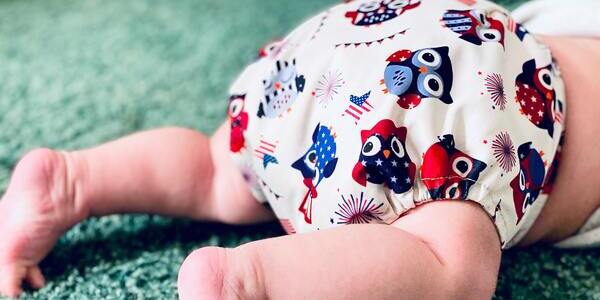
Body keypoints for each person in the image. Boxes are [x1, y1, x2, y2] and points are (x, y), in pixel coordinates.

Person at [1, 0, 599, 298]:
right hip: (488, 111)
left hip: (362, 40)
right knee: (454, 264)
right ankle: (253, 283)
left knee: (217, 169)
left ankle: (74, 181)